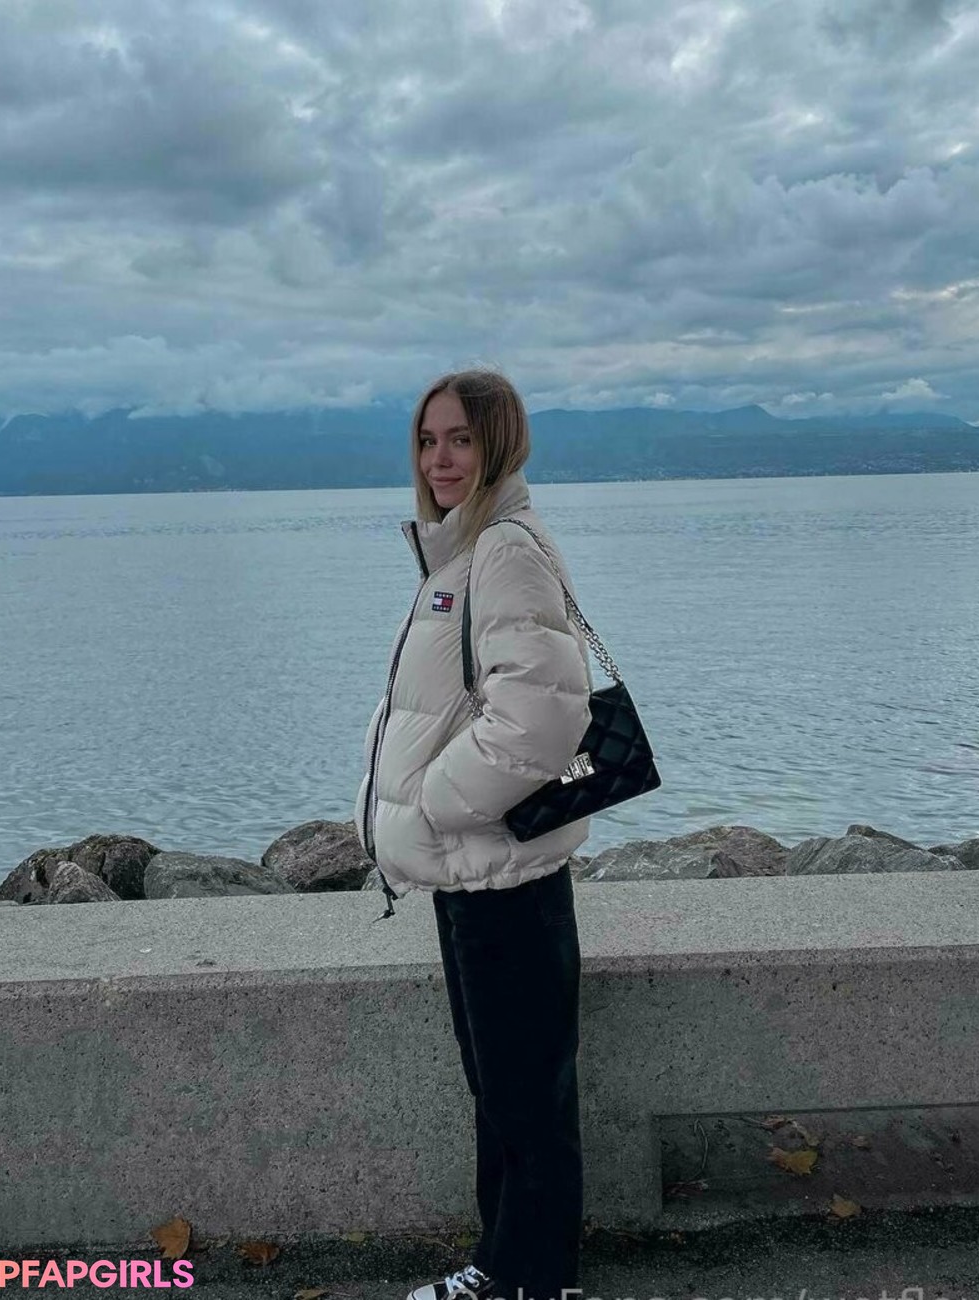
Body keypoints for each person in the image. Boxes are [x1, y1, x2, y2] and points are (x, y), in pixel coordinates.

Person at [354, 369, 594, 1300]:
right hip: (474, 871)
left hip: (504, 874)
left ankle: (527, 1280)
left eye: (459, 438)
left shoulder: (503, 552)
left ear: (499, 443)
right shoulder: (460, 553)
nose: (439, 459)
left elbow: (540, 720)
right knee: (504, 1090)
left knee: (524, 1094)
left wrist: (432, 806)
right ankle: (512, 1269)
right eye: (427, 440)